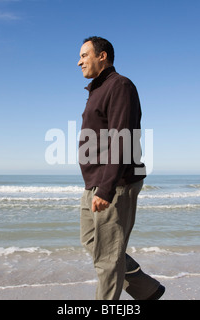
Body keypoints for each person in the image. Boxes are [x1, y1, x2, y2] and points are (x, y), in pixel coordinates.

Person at [77, 36, 165, 300]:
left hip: (115, 183)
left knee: (107, 259)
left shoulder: (120, 86)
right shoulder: (97, 89)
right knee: (92, 243)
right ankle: (145, 288)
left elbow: (121, 138)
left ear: (102, 56)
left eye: (84, 55)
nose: (79, 61)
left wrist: (106, 188)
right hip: (94, 181)